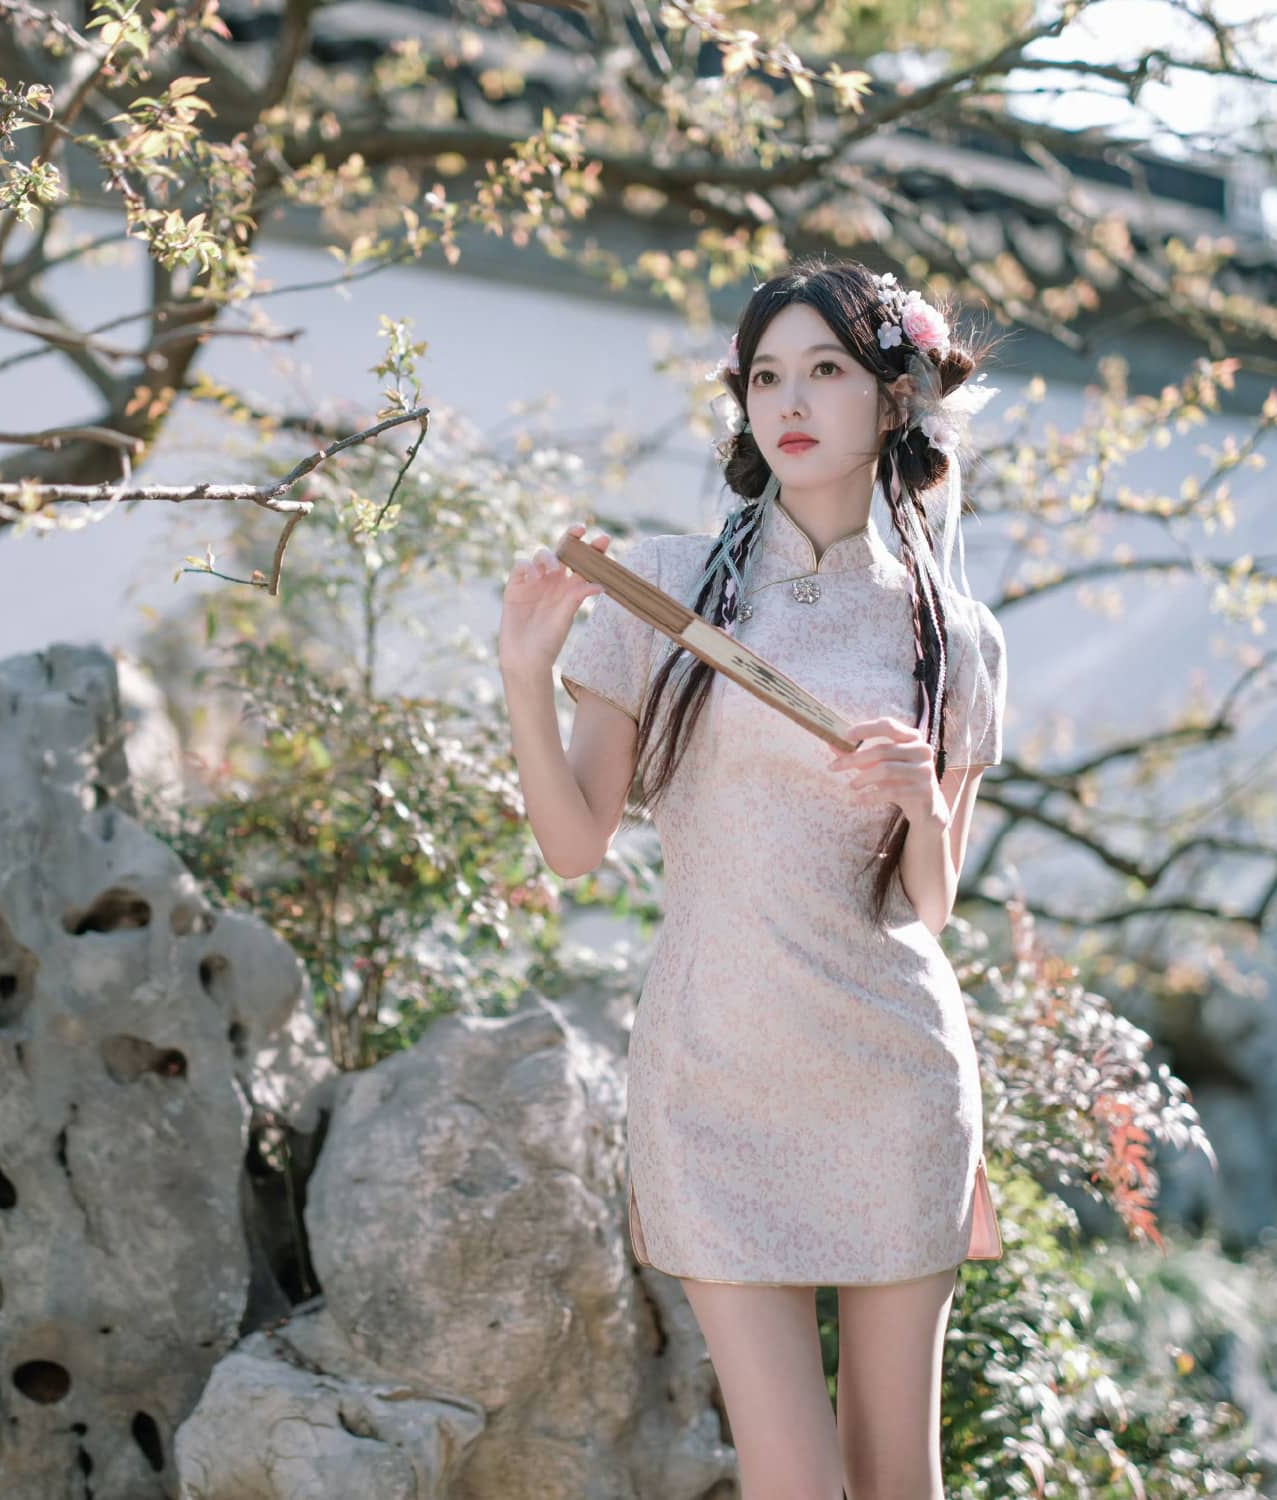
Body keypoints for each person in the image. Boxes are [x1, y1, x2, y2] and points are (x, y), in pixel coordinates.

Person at [496, 255, 1010, 1500]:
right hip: (714, 1076)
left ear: (893, 396)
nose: (788, 401)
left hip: (891, 1073)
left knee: (897, 1482)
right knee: (795, 1483)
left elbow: (931, 903)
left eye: (825, 369)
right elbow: (573, 844)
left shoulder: (953, 635)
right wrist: (523, 674)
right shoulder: (661, 588)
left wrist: (918, 802)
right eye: (765, 376)